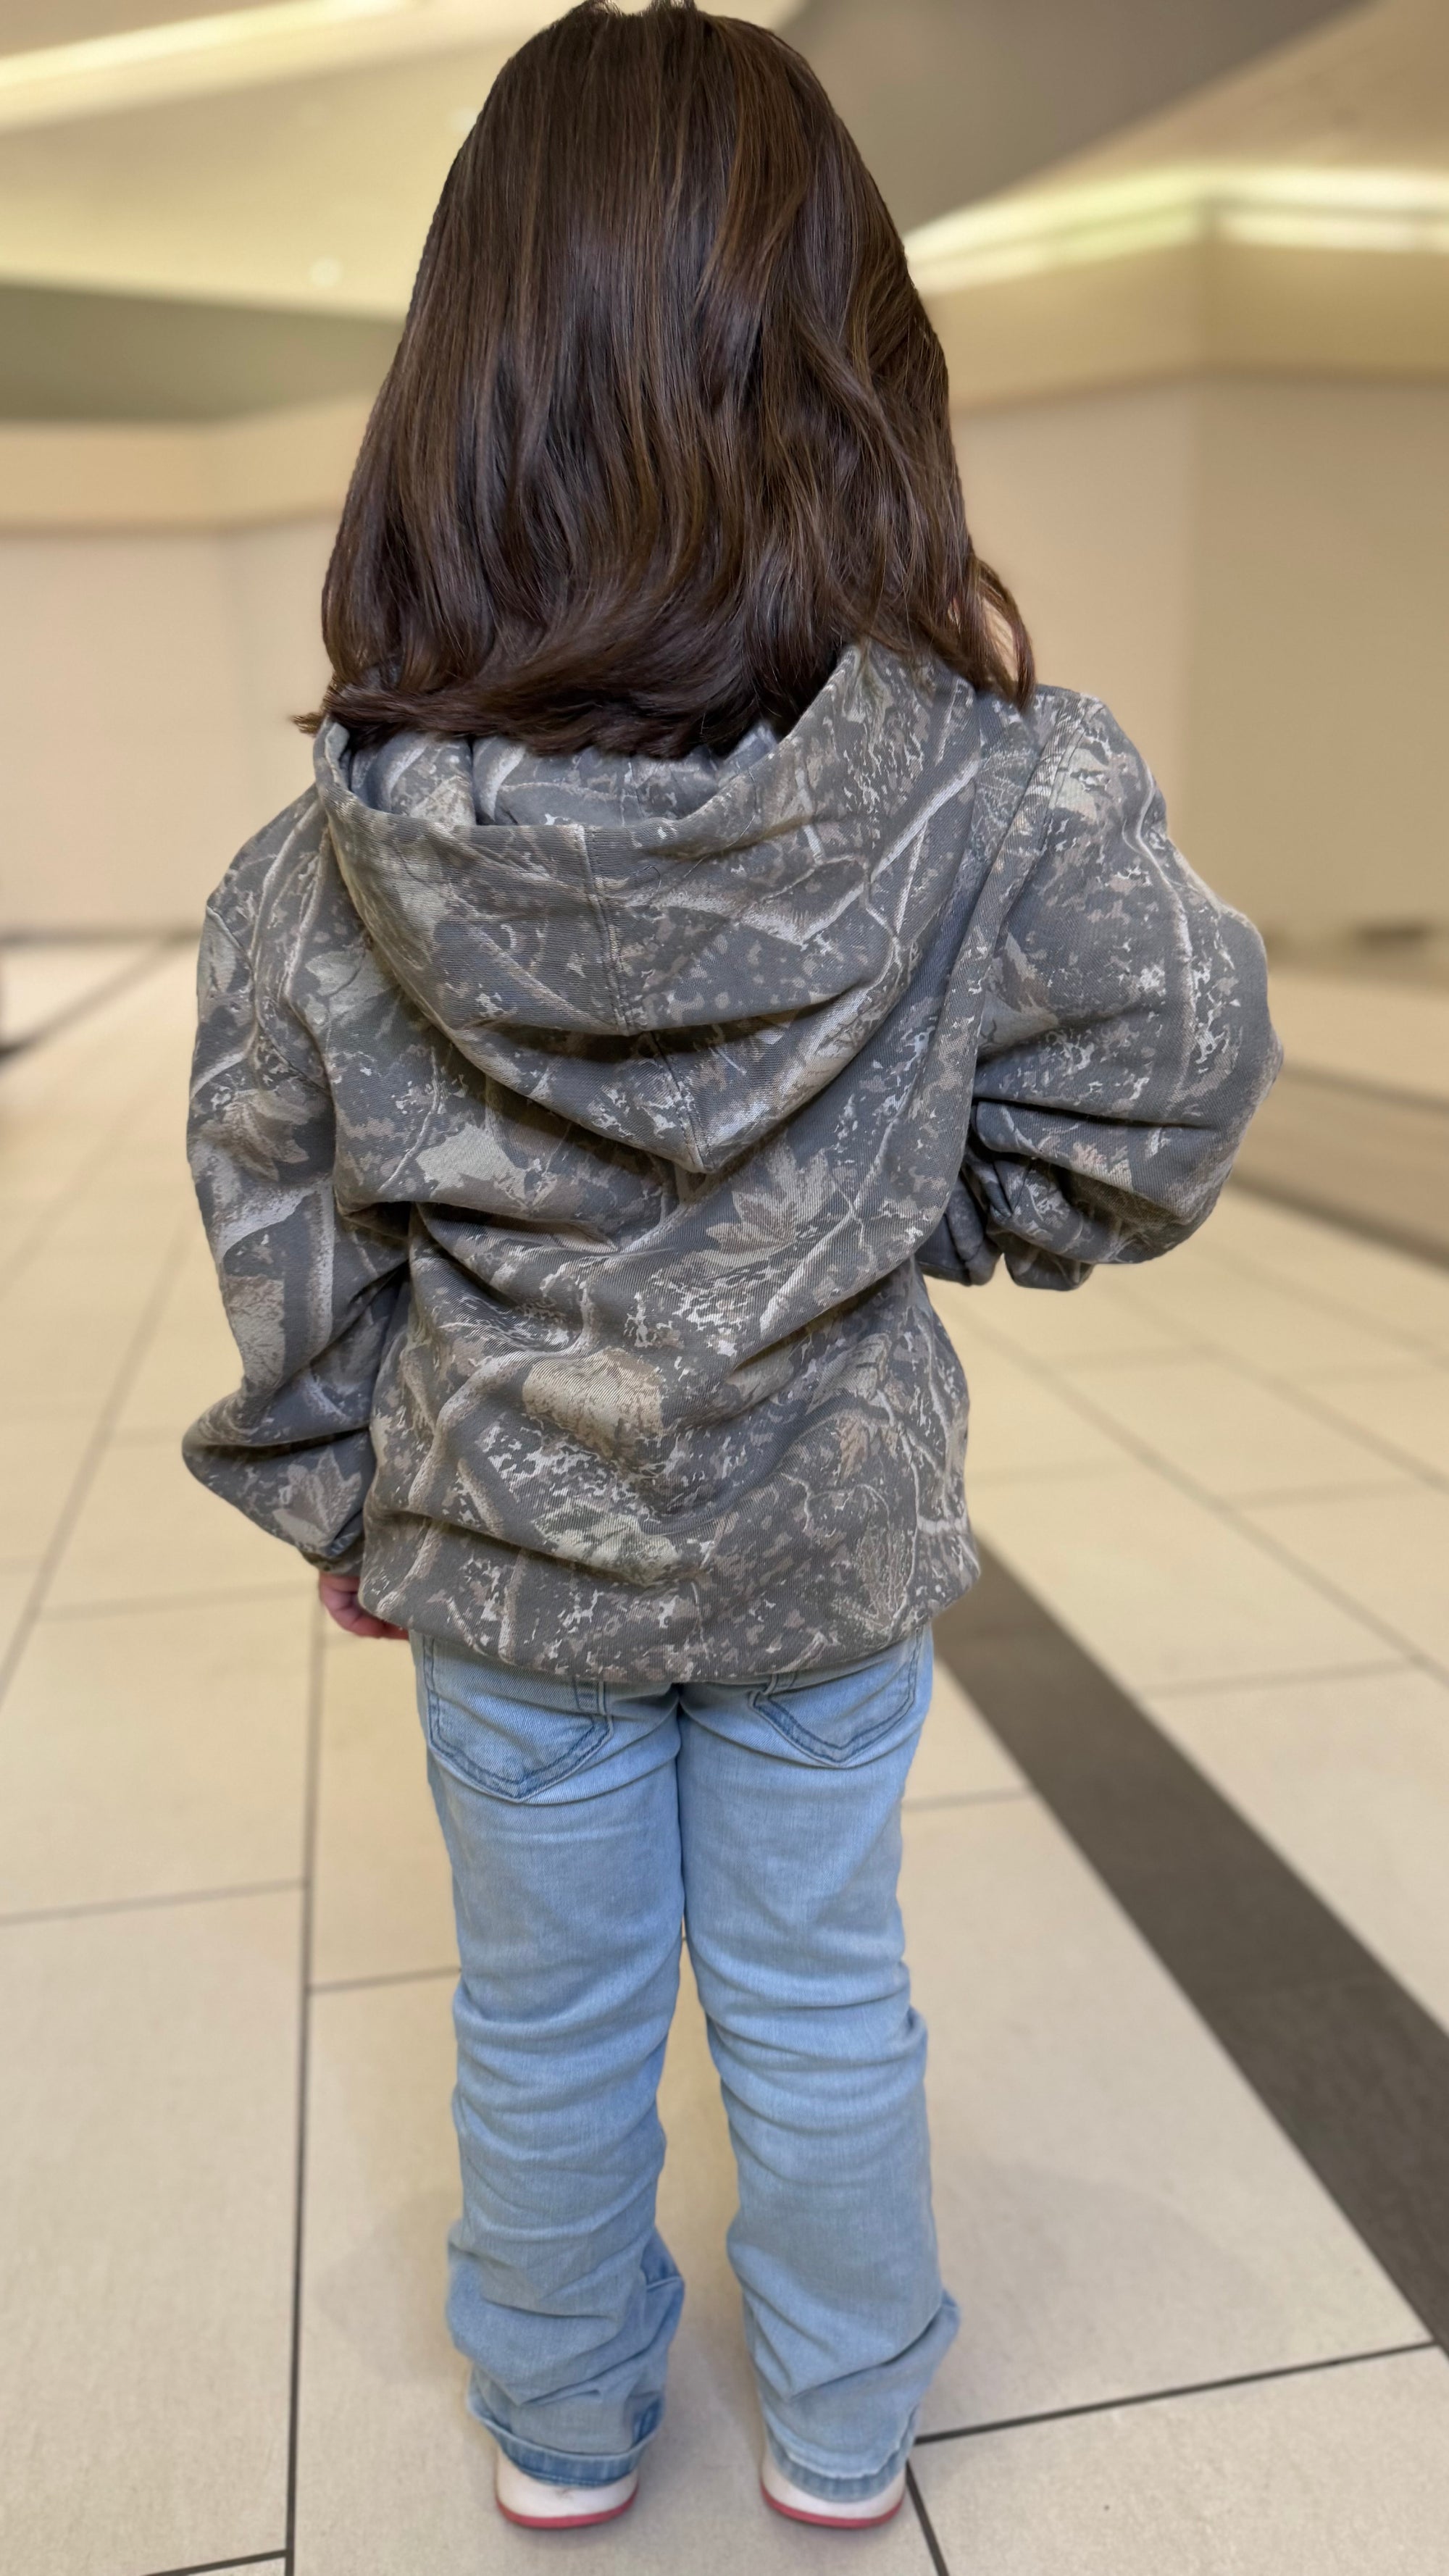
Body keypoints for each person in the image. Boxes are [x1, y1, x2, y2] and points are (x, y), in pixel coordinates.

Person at [184, 0, 1278, 2536]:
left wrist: (356, 1491)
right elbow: (1185, 1070)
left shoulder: (330, 866)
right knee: (819, 1992)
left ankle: (563, 2421)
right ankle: (851, 2409)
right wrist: (956, 1197)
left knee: (543, 2018)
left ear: (459, 399)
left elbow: (278, 1196)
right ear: (857, 378)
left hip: (510, 1563)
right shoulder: (988, 797)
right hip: (828, 1540)